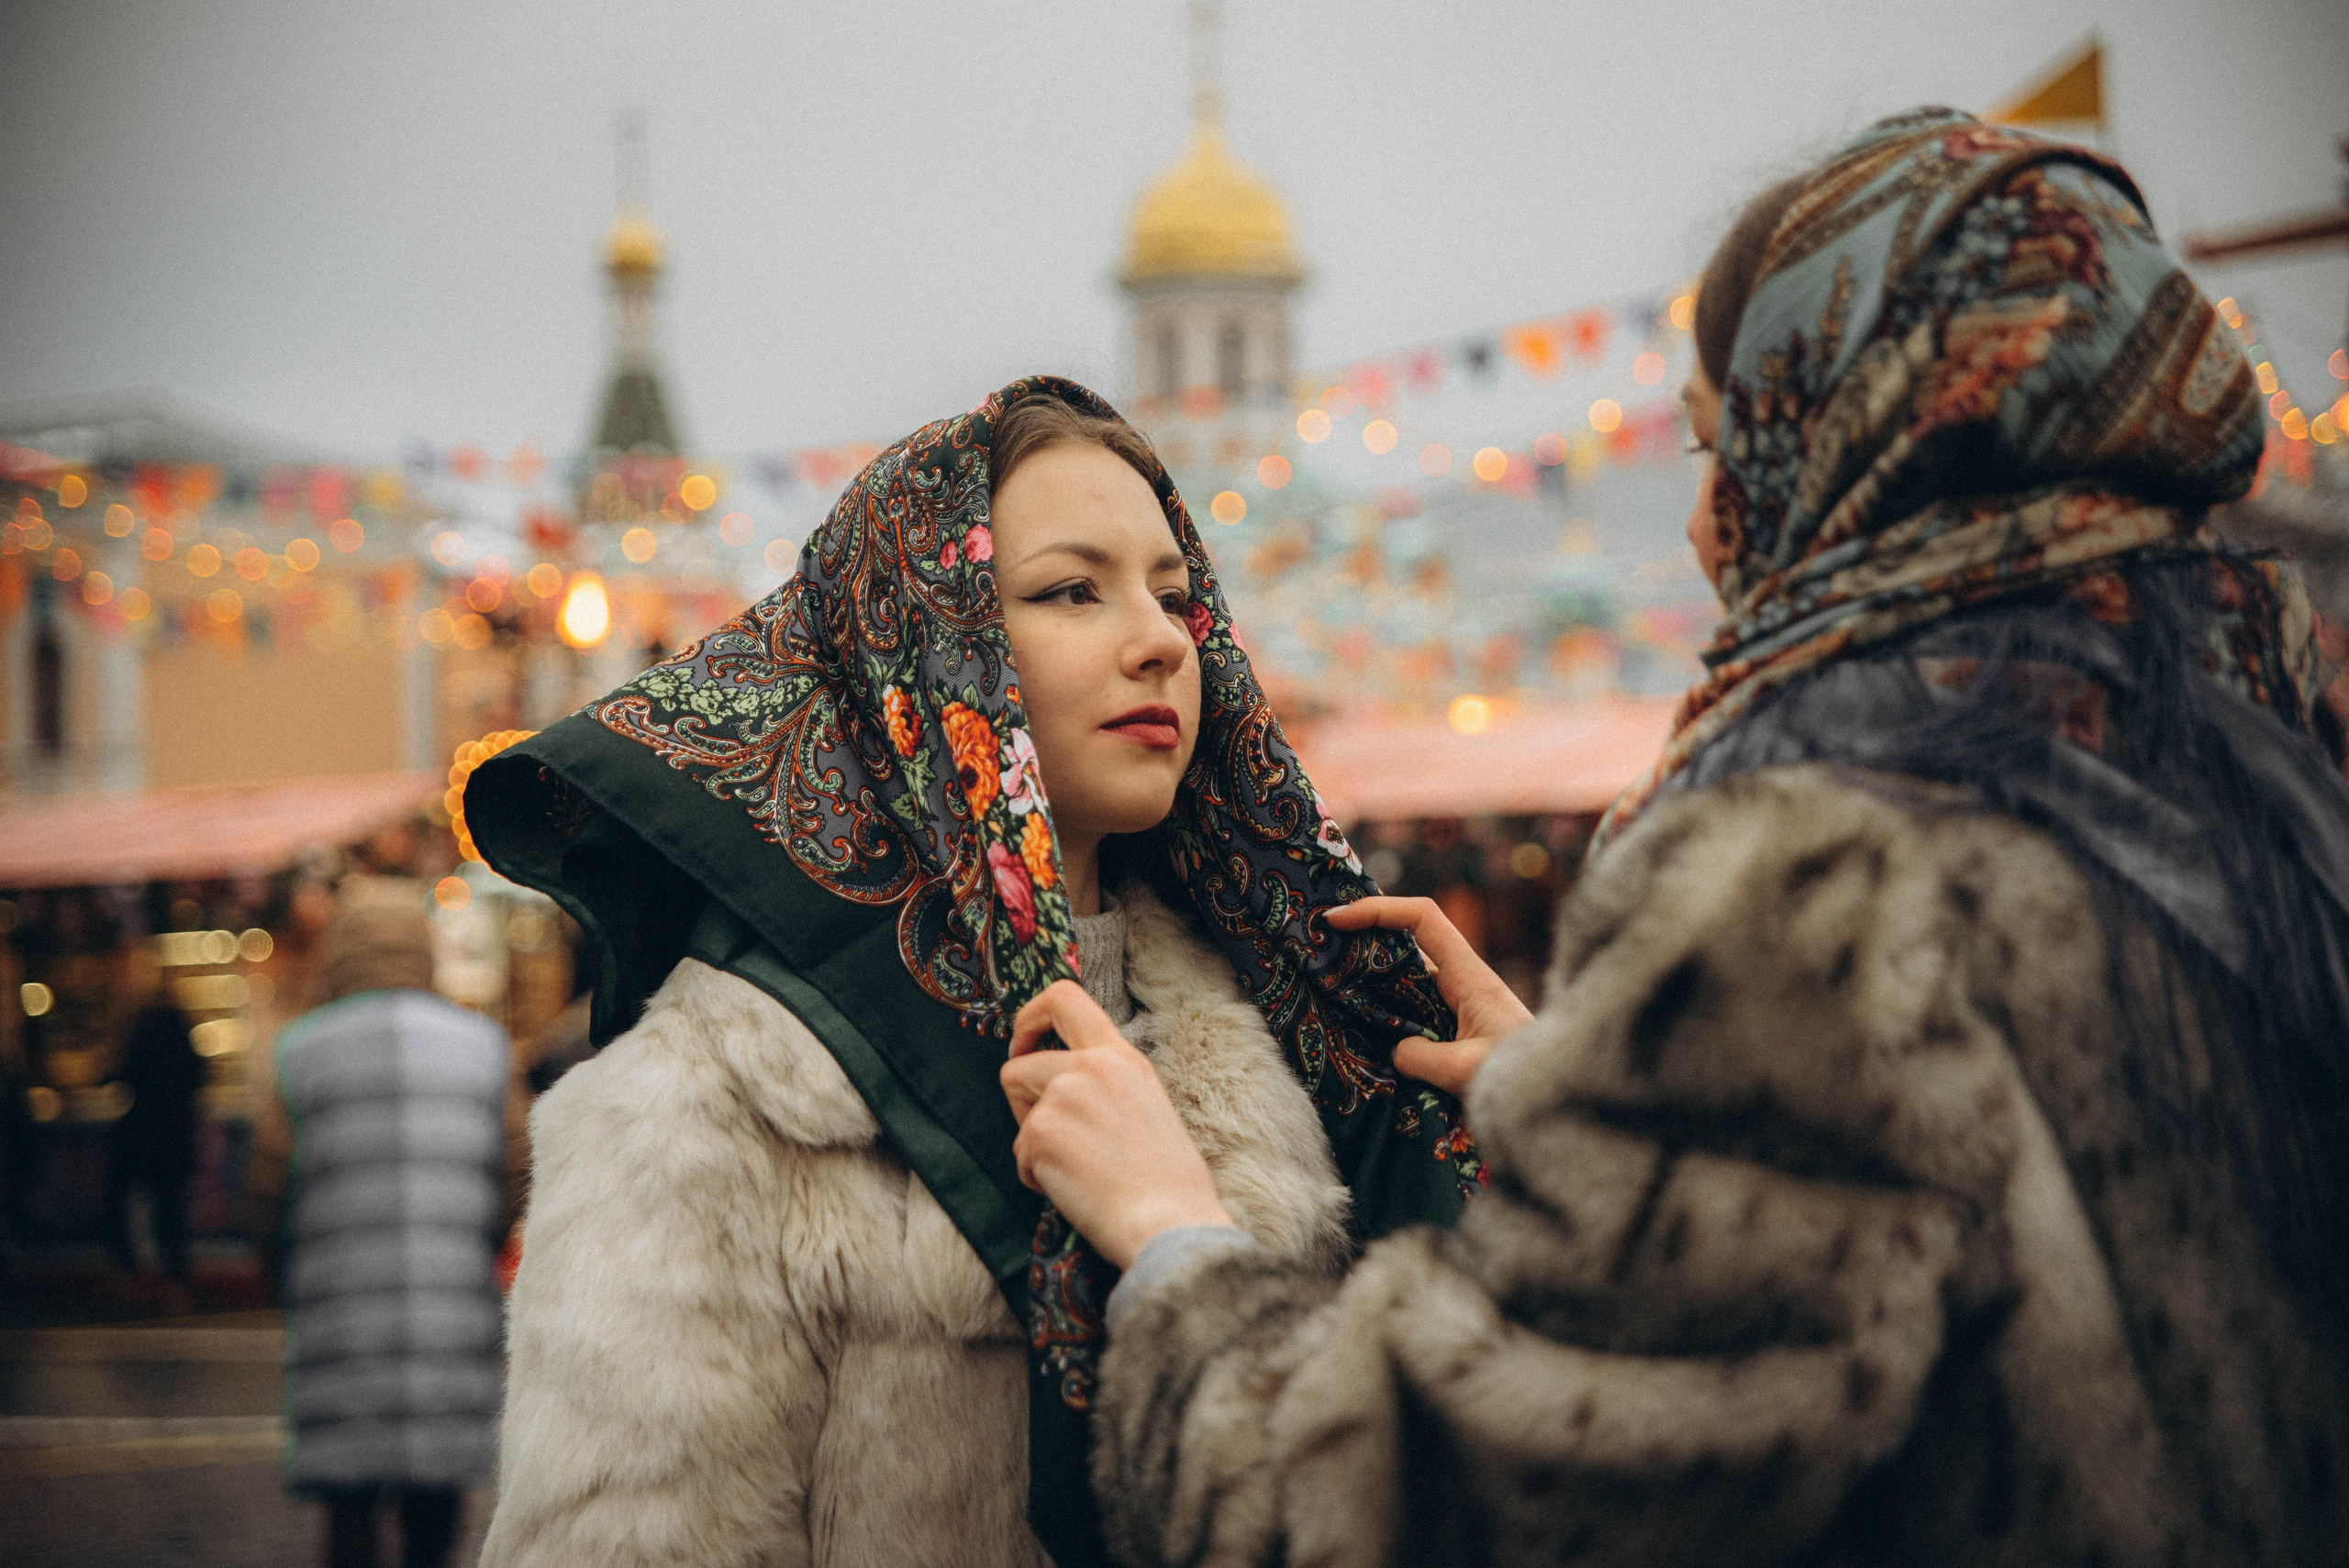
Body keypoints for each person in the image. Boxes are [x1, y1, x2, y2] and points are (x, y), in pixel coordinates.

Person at [1004, 109, 2349, 1565]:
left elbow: (1429, 1509)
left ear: (1855, 442)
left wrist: (1180, 1244)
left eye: (1724, 443)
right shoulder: (2271, 787)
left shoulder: (1824, 874)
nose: (1706, 525)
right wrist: (1600, 1092)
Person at [462, 379, 1479, 1568]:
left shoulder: (1306, 1036)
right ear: (926, 645)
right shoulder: (716, 1090)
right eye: (1070, 590)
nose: (1160, 639)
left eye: (1175, 592)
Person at [246, 877, 522, 1568]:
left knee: (349, 1498)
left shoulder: (300, 1049)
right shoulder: (483, 1046)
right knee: (437, 1494)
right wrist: (475, 1245)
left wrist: (283, 1272)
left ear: (339, 951)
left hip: (340, 1308)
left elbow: (266, 1185)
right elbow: (519, 1171)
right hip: (451, 1305)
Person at [104, 978, 205, 1285]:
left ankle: (129, 1267)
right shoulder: (182, 1030)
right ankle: (175, 1272)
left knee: (121, 1200)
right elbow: (199, 1076)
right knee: (170, 1207)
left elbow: (124, 1074)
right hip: (177, 1132)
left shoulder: (143, 1027)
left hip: (142, 1131)